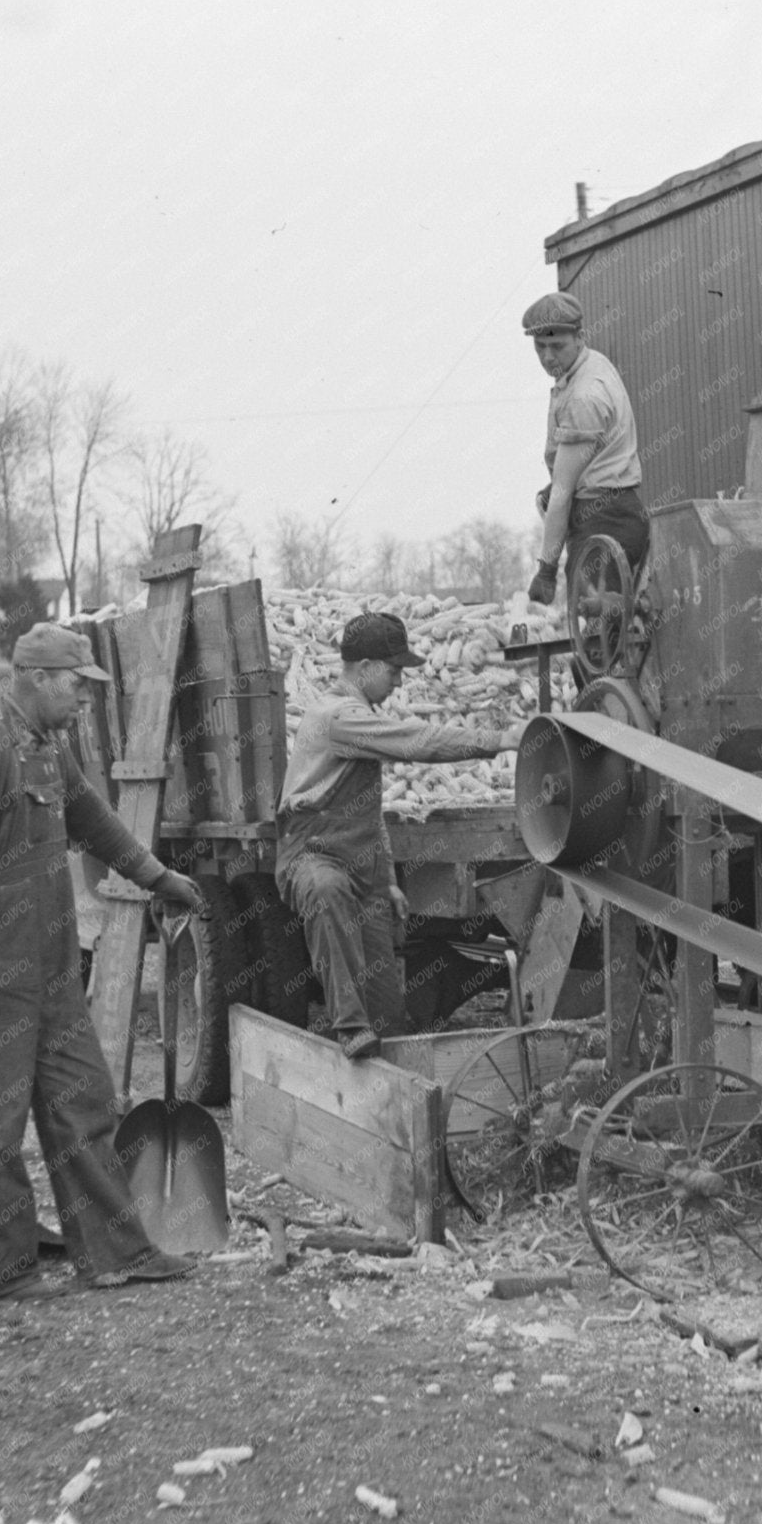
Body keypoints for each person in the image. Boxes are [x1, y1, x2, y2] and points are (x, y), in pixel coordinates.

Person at [0, 623, 211, 1303]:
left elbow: (94, 820)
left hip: (46, 963)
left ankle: (113, 1252)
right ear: (37, 677)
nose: (84, 700)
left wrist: (159, 877)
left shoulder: (48, 747)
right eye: (77, 686)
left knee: (83, 1100)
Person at [276, 612, 523, 1060]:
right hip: (314, 854)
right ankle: (348, 1028)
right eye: (393, 671)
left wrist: (387, 878)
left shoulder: (358, 716)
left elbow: (368, 812)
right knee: (327, 892)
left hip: (361, 859)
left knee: (388, 1011)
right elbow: (419, 740)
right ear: (366, 666)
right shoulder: (338, 717)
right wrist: (501, 738)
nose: (398, 681)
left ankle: (381, 1049)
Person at [522, 291, 649, 607]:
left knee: (596, 627)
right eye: (540, 347)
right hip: (618, 511)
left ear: (580, 337)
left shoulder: (583, 397)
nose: (548, 357)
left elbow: (563, 494)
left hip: (603, 519)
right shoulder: (592, 362)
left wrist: (546, 570)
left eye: (557, 346)